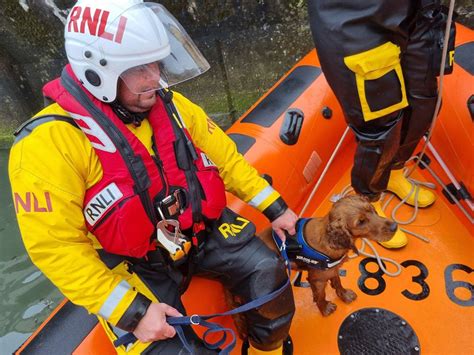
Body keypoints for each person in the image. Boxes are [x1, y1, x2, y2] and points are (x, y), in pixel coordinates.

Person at [9, 1, 297, 354]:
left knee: (268, 274)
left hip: (196, 234)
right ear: (97, 73)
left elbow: (227, 161)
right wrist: (132, 314)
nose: (156, 77)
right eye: (140, 68)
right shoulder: (48, 144)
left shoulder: (173, 107)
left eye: (158, 63)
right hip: (132, 262)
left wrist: (276, 209)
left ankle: (264, 344)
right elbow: (55, 248)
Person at [307, 0, 454, 248]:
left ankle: (395, 171)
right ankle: (368, 199)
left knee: (423, 103)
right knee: (380, 124)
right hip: (358, 16)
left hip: (420, 11)